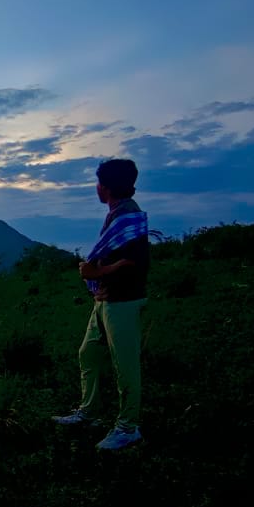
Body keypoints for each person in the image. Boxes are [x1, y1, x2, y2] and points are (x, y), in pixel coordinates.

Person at [53, 158, 150, 450]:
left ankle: (128, 427)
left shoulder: (127, 217)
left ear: (105, 187)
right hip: (106, 301)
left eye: (98, 182)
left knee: (125, 366)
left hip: (123, 302)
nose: (96, 187)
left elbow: (135, 262)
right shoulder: (118, 214)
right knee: (89, 353)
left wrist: (95, 273)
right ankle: (89, 411)